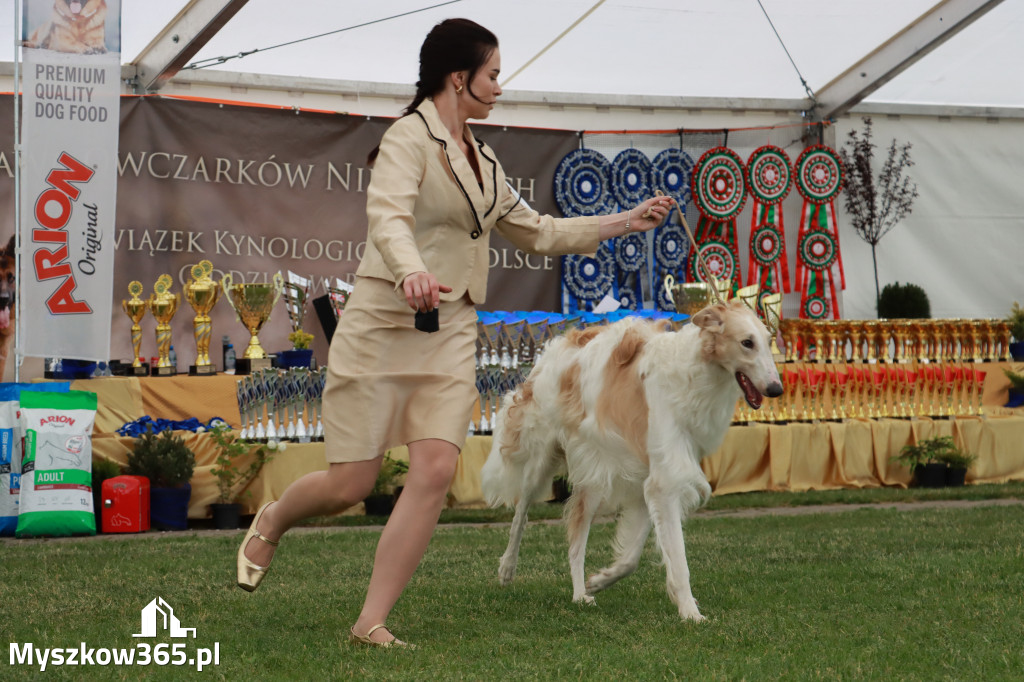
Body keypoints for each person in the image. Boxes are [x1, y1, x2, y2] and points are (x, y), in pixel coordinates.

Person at [236, 17, 671, 648]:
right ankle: (273, 520)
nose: (500, 85)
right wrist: (411, 270)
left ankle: (370, 622)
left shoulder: (485, 161)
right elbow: (386, 218)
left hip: (449, 329)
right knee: (350, 483)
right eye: (492, 74)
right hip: (383, 321)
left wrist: (621, 221)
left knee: (436, 469)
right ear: (458, 77)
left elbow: (539, 231)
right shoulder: (405, 140)